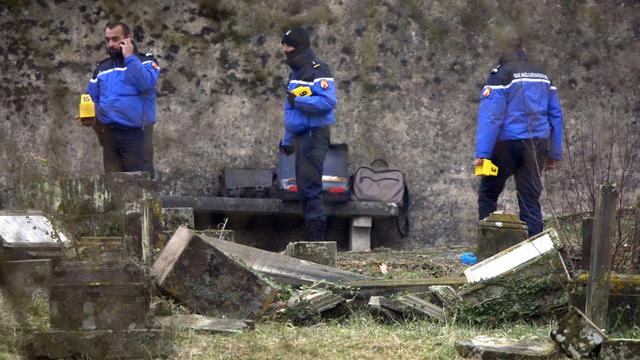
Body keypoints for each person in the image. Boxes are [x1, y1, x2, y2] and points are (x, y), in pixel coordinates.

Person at [474, 40, 563, 237]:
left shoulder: (501, 75)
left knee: (488, 195)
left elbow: (491, 117)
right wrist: (554, 153)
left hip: (505, 147)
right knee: (530, 199)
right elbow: (555, 115)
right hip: (536, 145)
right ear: (524, 49)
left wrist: (482, 154)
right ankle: (535, 252)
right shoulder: (543, 76)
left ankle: (488, 247)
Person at [279, 27, 337, 241]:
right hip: (302, 137)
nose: (285, 49)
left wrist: (300, 100)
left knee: (311, 188)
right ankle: (313, 239)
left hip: (315, 135)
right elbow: (291, 112)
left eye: (289, 45)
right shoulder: (295, 73)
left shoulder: (318, 69)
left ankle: (318, 242)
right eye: (283, 45)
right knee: (303, 189)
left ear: (300, 46)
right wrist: (287, 140)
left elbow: (328, 101)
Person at [79, 21, 159, 176]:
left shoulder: (146, 62)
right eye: (107, 40)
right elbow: (91, 97)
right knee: (114, 187)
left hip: (137, 134)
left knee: (142, 184)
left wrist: (129, 57)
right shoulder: (102, 68)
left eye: (115, 39)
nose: (110, 44)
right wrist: (89, 115)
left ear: (128, 38)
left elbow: (146, 84)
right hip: (109, 135)